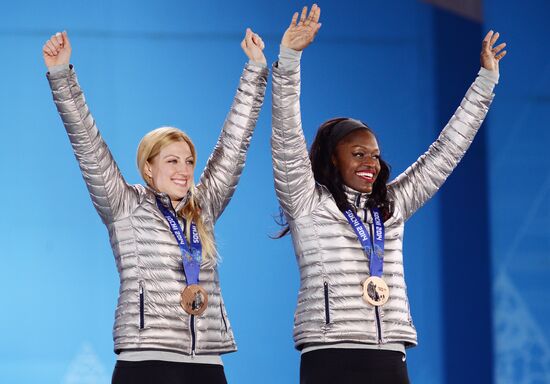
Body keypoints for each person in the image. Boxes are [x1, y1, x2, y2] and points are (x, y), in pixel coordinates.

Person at [271, 4, 506, 383]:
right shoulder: (307, 202)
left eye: (376, 155)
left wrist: (485, 83)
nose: (371, 163)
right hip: (329, 355)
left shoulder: (391, 207)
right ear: (333, 159)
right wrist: (289, 58)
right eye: (358, 153)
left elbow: (446, 152)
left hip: (389, 355)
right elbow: (285, 136)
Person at [43, 28, 268, 383]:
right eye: (172, 161)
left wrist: (255, 71)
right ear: (148, 167)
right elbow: (87, 143)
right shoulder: (123, 205)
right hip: (146, 363)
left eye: (189, 161)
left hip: (207, 364)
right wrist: (60, 75)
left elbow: (234, 145)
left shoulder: (203, 206)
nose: (183, 171)